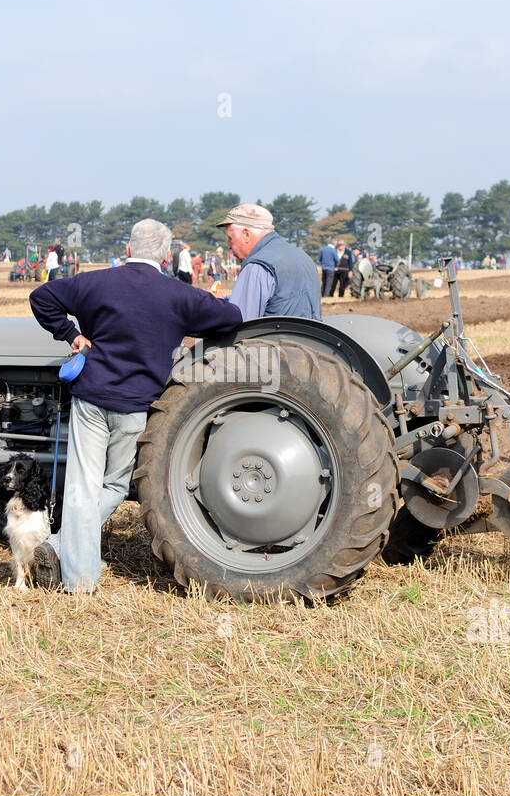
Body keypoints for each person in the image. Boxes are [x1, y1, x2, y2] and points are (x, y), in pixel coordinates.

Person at [28, 218, 243, 594]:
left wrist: (72, 335)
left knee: (81, 487)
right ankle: (65, 550)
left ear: (127, 250)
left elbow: (41, 298)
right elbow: (232, 317)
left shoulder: (94, 282)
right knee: (114, 484)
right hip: (135, 406)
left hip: (90, 397)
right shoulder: (177, 295)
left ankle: (77, 579)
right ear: (166, 255)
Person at [220, 204, 321, 321]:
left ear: (246, 235)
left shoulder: (256, 267)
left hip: (274, 338)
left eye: (230, 238)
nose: (228, 246)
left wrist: (219, 307)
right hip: (309, 338)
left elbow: (238, 321)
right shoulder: (303, 257)